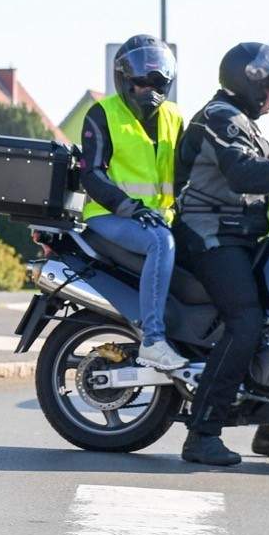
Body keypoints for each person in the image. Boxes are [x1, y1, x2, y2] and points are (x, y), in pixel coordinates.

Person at [175, 41, 269, 466]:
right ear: (249, 81)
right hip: (208, 235)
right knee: (246, 322)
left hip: (240, 237)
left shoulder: (247, 125)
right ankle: (202, 433)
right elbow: (245, 172)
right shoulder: (219, 118)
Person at [78, 34, 188, 372]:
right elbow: (91, 173)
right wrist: (131, 208)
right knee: (160, 242)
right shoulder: (103, 113)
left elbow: (183, 175)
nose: (148, 89)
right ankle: (153, 340)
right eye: (141, 82)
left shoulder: (173, 116)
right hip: (109, 215)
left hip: (157, 217)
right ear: (124, 80)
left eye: (157, 82)